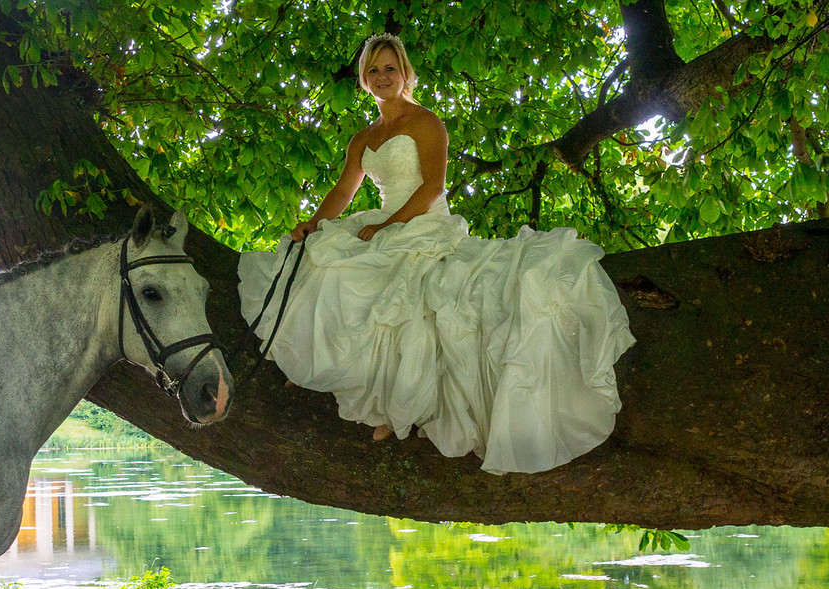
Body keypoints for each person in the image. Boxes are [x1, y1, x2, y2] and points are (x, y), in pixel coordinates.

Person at [238, 33, 635, 475]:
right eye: (374, 70)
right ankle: (312, 364)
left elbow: (433, 188)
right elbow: (344, 191)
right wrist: (314, 222)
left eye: (390, 68)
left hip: (423, 221)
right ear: (364, 80)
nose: (383, 76)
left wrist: (388, 227)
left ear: (405, 73)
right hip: (385, 221)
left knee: (414, 307)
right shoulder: (362, 138)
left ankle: (397, 408)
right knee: (320, 259)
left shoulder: (426, 122)